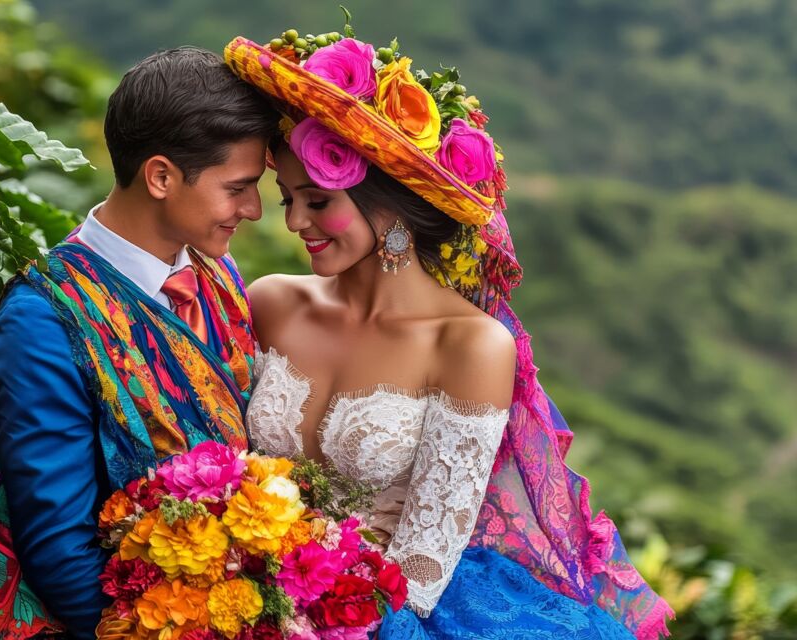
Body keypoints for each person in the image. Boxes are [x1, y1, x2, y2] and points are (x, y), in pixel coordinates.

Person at [225, 27, 673, 640]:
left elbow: (423, 563)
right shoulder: (270, 301)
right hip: (235, 590)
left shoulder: (471, 346)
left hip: (381, 614)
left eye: (318, 201)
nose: (296, 222)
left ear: (389, 204)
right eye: (287, 200)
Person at [0, 47, 278, 639]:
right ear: (160, 176)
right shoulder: (44, 321)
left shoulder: (218, 275)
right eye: (237, 187)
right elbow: (60, 549)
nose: (254, 209)